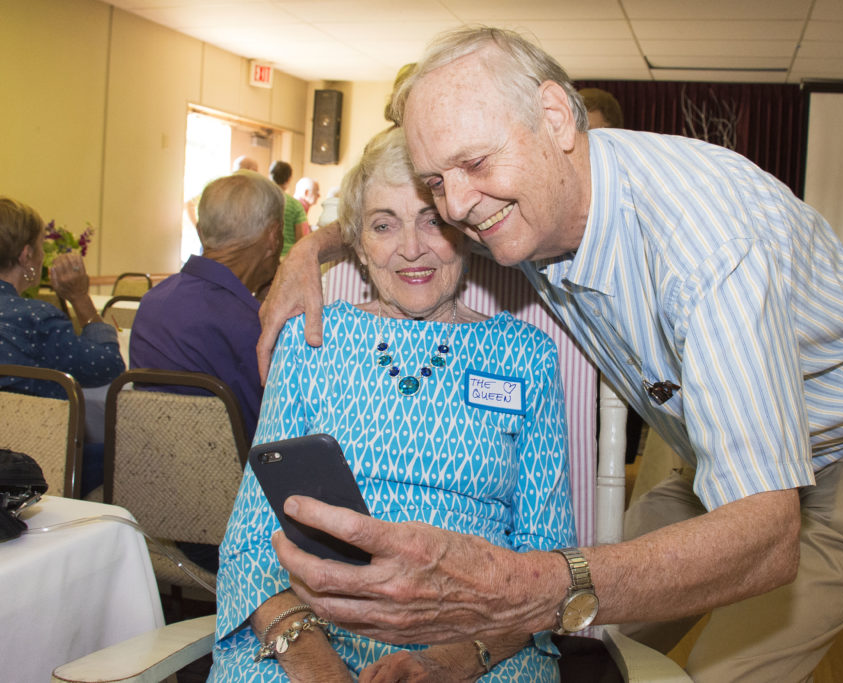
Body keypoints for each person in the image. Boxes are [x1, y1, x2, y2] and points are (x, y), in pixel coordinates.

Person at [256, 27, 843, 682]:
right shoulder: (530, 193)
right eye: (439, 180)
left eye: (473, 165)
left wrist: (516, 584)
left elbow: (764, 537)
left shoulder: (705, 249)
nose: (458, 207)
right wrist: (309, 249)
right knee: (601, 645)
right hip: (714, 442)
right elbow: (399, 226)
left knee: (715, 672)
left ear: (556, 119)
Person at [210, 127, 576, 682]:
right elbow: (251, 544)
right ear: (357, 243)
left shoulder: (526, 355)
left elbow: (548, 559)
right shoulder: (312, 341)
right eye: (384, 224)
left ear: (467, 231)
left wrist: (448, 663)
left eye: (432, 221)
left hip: (479, 641)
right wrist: (320, 668)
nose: (411, 248)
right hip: (308, 629)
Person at [131, 170, 283, 447]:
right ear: (274, 236)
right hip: (232, 484)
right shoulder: (251, 327)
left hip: (149, 472)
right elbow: (271, 435)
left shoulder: (152, 301)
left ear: (200, 230)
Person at [0, 197, 125, 492]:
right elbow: (107, 367)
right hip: (31, 468)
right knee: (130, 453)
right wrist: (80, 298)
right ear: (26, 254)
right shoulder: (34, 319)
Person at [269, 160, 310, 257]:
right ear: (289, 179)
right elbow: (300, 239)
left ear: (270, 176)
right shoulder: (295, 205)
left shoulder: (260, 201)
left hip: (265, 256)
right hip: (287, 257)